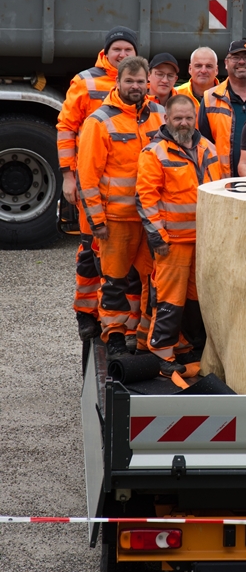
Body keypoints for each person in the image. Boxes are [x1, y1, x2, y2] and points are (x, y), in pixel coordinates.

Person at [76, 56, 164, 356]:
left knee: (150, 280)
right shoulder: (99, 121)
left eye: (141, 81)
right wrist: (97, 221)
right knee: (114, 281)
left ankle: (138, 334)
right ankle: (113, 336)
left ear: (148, 82)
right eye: (130, 81)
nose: (136, 86)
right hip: (117, 220)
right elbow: (87, 176)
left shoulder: (159, 115)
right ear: (118, 82)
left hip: (151, 219)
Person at [56, 25, 138, 342]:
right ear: (106, 52)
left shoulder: (138, 85)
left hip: (125, 196)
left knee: (125, 264)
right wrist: (67, 175)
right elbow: (66, 127)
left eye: (127, 49)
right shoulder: (86, 81)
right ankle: (86, 314)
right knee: (91, 254)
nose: (121, 54)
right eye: (116, 48)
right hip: (91, 188)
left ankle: (121, 323)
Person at [136, 95, 220, 375]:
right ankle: (162, 352)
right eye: (178, 118)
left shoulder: (208, 147)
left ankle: (187, 345)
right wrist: (158, 237)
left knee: (199, 298)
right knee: (169, 300)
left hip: (204, 241)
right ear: (167, 119)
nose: (184, 123)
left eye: (188, 118)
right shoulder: (155, 152)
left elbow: (219, 190)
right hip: (172, 243)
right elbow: (146, 199)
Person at [198, 40, 246, 177]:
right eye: (235, 57)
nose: (241, 62)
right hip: (224, 185)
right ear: (226, 63)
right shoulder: (210, 98)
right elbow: (202, 146)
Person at [178, 47, 220, 111]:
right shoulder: (176, 94)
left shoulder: (227, 96)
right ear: (190, 69)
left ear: (216, 70)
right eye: (198, 66)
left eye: (208, 66)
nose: (203, 71)